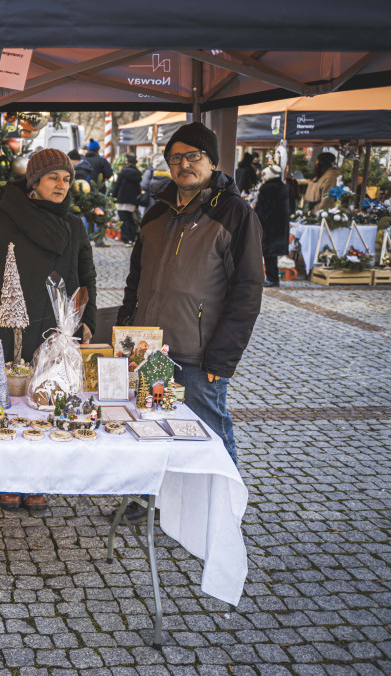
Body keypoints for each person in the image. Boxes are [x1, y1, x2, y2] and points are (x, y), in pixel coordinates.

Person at [117, 123, 263, 519]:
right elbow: (136, 282)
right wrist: (127, 336)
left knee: (209, 432)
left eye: (193, 156)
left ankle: (222, 509)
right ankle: (150, 500)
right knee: (151, 426)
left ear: (212, 161)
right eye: (175, 158)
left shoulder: (235, 214)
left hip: (200, 354)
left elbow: (248, 291)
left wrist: (223, 358)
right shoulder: (156, 213)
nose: (183, 165)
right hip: (149, 350)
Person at [0, 149, 97, 513]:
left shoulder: (74, 225)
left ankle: (38, 480)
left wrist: (87, 318)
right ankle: (8, 479)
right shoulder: (1, 220)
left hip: (55, 332)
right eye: (54, 177)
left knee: (47, 404)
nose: (62, 185)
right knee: (10, 404)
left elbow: (87, 276)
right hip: (10, 327)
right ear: (34, 182)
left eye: (67, 179)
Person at [256, 165, 291, 287]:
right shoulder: (284, 187)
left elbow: (263, 209)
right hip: (280, 226)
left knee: (268, 253)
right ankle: (272, 277)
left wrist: (256, 220)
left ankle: (272, 278)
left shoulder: (267, 188)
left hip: (269, 226)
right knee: (272, 254)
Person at [112, 154, 143, 245]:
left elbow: (117, 186)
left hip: (121, 199)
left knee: (124, 220)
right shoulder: (138, 174)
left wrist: (114, 197)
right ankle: (132, 238)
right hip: (132, 200)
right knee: (130, 219)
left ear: (128, 162)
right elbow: (138, 188)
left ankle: (127, 239)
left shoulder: (123, 172)